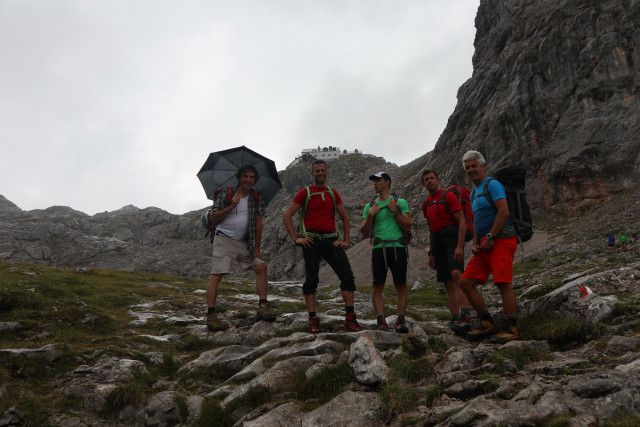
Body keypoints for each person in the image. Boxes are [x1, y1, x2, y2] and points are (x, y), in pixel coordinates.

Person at [282, 160, 360, 333]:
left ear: (327, 172)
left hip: (332, 240)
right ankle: (313, 319)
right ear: (312, 174)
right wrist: (296, 239)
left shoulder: (333, 193)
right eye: (317, 171)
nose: (320, 173)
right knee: (311, 280)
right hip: (311, 241)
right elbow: (287, 215)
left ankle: (350, 317)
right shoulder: (305, 193)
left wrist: (346, 241)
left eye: (323, 170)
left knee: (347, 277)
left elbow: (345, 218)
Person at [458, 151, 519, 343]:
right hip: (484, 243)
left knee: (502, 283)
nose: (470, 170)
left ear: (483, 166)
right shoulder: (474, 193)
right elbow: (477, 221)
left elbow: (504, 212)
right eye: (467, 167)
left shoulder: (492, 184)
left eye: (474, 166)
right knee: (466, 282)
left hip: (501, 239)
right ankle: (486, 323)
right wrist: (476, 242)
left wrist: (491, 236)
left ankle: (511, 328)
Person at [205, 165, 275, 332]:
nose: (248, 180)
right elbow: (213, 218)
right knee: (217, 276)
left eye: (251, 177)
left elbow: (259, 222)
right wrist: (231, 206)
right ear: (239, 178)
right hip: (224, 239)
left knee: (261, 267)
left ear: (255, 180)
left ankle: (263, 307)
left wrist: (257, 248)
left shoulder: (256, 196)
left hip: (244, 242)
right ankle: (211, 317)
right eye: (245, 176)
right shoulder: (227, 193)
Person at [421, 170, 473, 336]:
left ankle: (465, 315)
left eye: (432, 178)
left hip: (452, 238)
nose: (430, 181)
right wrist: (431, 252)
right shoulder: (426, 204)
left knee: (457, 275)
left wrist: (459, 246)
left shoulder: (448, 196)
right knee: (447, 282)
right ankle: (454, 317)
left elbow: (462, 221)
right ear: (423, 184)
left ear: (438, 180)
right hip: (438, 241)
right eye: (426, 180)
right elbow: (431, 229)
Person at [360, 172, 412, 333]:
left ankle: (400, 320)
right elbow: (364, 231)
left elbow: (407, 226)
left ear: (387, 182)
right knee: (377, 287)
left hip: (398, 247)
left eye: (378, 180)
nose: (375, 183)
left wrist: (395, 211)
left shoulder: (400, 202)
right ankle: (381, 321)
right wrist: (370, 215)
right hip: (379, 249)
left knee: (400, 285)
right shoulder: (370, 206)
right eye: (374, 181)